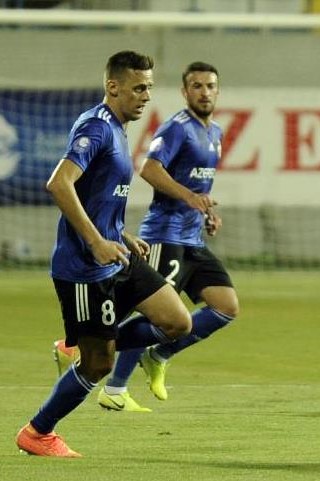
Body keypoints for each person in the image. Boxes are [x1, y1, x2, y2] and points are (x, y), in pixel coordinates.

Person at [15, 51, 193, 458]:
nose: (146, 95)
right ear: (113, 86)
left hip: (115, 255)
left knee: (177, 321)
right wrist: (96, 241)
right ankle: (38, 432)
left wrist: (120, 234)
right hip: (83, 269)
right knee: (99, 366)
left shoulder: (118, 128)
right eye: (138, 87)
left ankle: (75, 344)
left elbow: (95, 195)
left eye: (149, 86)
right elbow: (60, 184)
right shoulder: (96, 127)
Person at [54, 61, 238, 412]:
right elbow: (149, 169)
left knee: (225, 308)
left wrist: (205, 213)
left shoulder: (215, 133)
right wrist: (188, 198)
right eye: (196, 86)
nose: (204, 92)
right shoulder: (174, 129)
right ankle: (113, 384)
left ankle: (142, 355)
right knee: (156, 313)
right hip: (165, 235)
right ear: (185, 92)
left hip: (191, 237)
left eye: (210, 85)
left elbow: (199, 184)